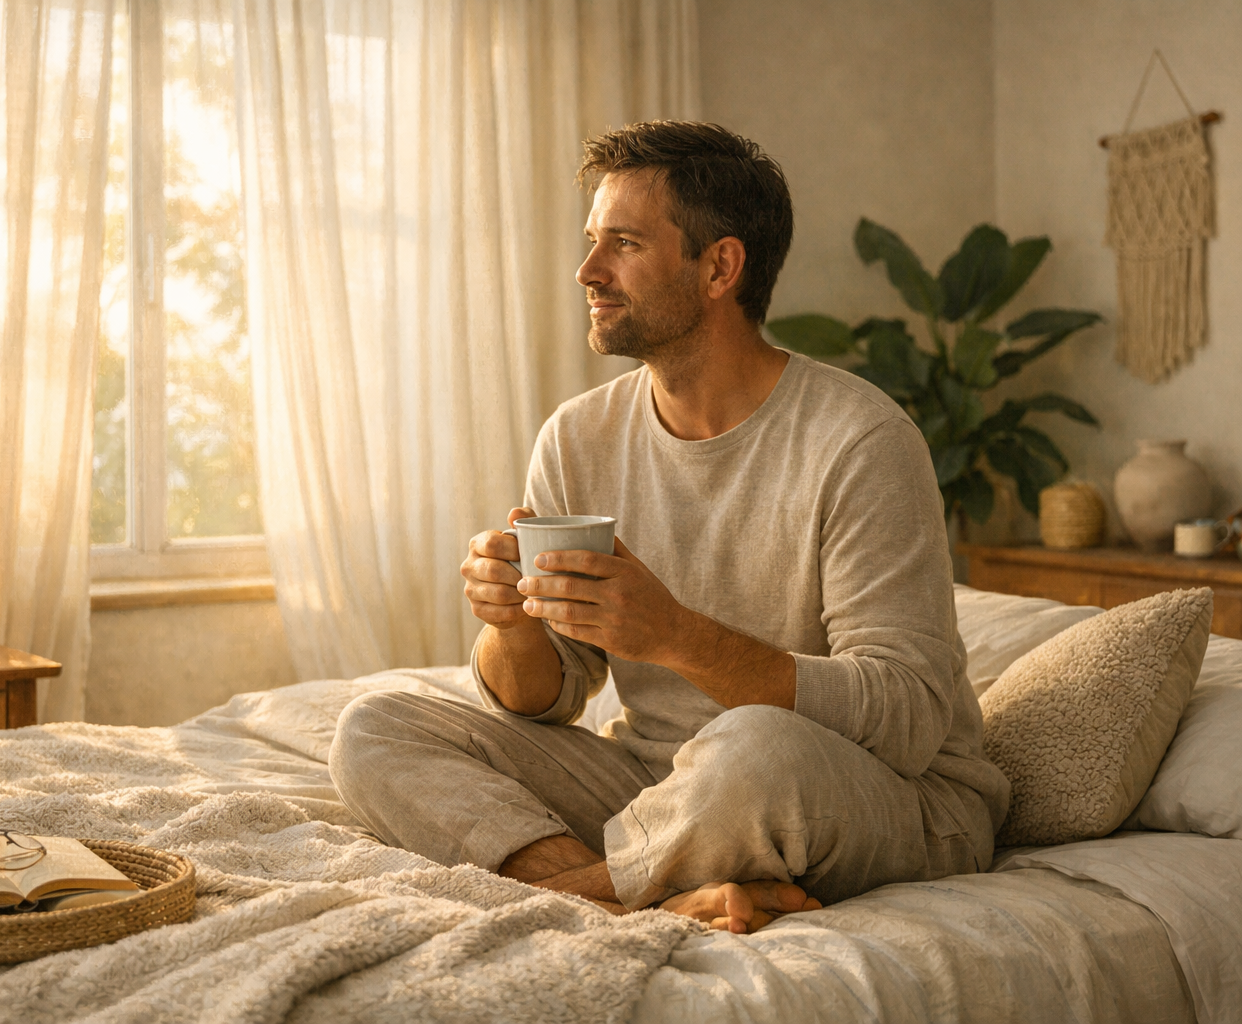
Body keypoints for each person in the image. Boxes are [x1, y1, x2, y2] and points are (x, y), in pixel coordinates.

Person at [329, 120, 1010, 935]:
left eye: (623, 244)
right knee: (377, 726)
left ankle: (577, 898)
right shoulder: (578, 435)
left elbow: (907, 716)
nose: (587, 271)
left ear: (720, 266)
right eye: (592, 242)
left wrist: (676, 636)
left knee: (754, 746)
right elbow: (546, 699)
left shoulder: (861, 440)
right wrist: (511, 626)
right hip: (660, 787)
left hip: (877, 795)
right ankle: (650, 885)